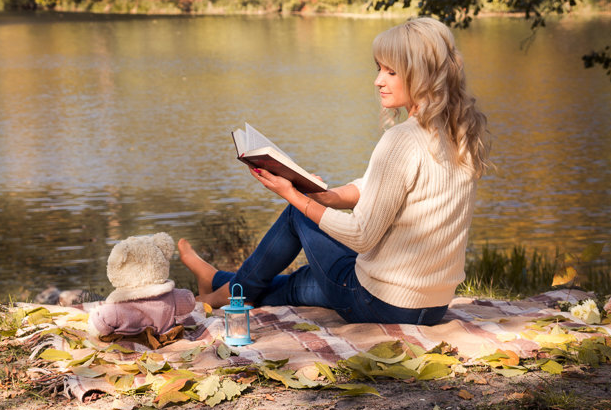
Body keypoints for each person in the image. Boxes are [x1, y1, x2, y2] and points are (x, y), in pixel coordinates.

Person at [178, 17, 490, 325]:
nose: (378, 80)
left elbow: (362, 237)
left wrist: (294, 196)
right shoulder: (457, 134)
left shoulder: (402, 139)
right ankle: (222, 282)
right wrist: (324, 195)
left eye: (391, 71)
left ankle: (228, 293)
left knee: (298, 215)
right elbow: (372, 186)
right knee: (299, 283)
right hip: (431, 307)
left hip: (379, 302)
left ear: (421, 76)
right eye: (378, 68)